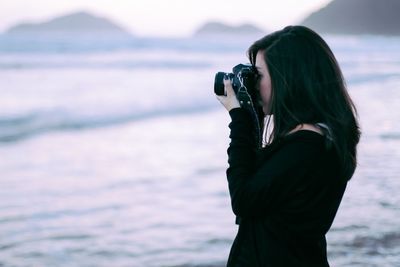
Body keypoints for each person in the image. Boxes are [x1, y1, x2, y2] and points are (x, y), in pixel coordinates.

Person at [216, 25, 360, 267]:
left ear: (288, 77)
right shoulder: (320, 138)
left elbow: (243, 200)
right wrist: (252, 115)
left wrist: (239, 118)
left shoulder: (305, 148)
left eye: (259, 75)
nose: (254, 83)